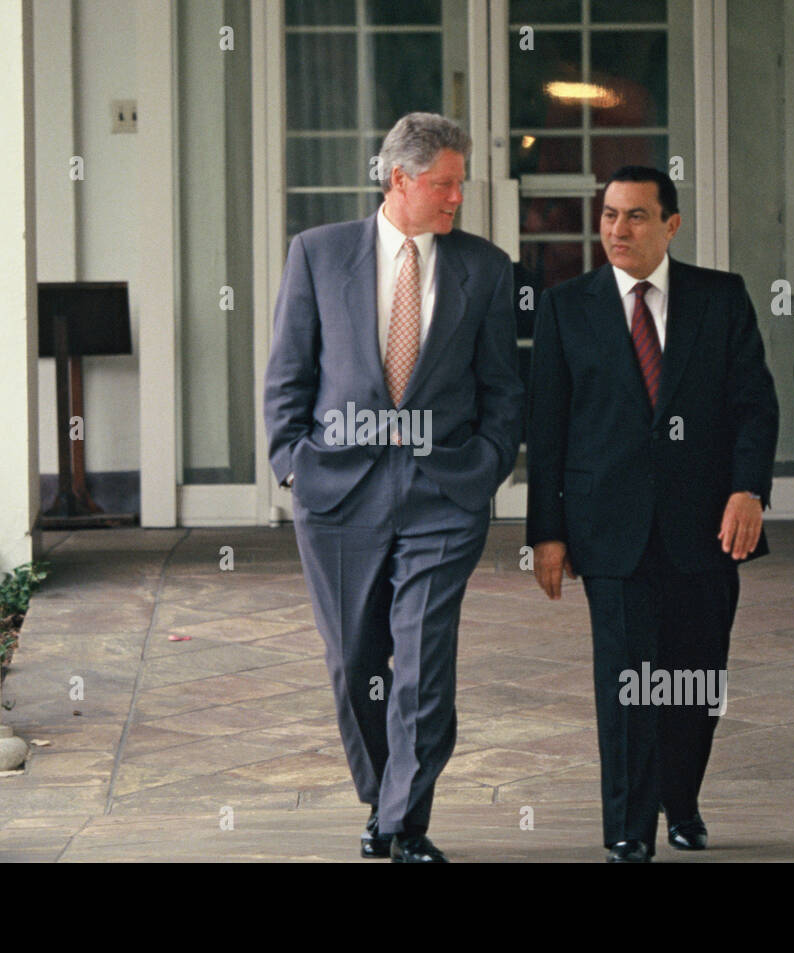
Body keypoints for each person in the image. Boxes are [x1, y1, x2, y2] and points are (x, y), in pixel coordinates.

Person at [264, 112, 524, 863]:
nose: (455, 201)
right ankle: (381, 798)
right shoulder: (317, 254)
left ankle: (406, 820)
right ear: (399, 180)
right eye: (444, 185)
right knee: (355, 660)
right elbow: (288, 374)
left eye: (460, 186)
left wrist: (487, 465)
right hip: (339, 495)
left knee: (422, 658)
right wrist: (292, 462)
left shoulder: (486, 267)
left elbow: (504, 388)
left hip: (445, 495)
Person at [526, 165, 778, 862]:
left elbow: (753, 404)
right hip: (608, 530)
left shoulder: (720, 299)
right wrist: (546, 531)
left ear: (670, 224)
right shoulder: (565, 307)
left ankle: (682, 799)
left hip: (706, 528)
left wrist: (748, 488)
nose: (617, 229)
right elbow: (546, 430)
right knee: (627, 678)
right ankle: (629, 828)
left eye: (635, 216)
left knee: (695, 678)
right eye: (608, 214)